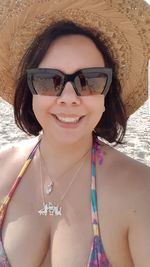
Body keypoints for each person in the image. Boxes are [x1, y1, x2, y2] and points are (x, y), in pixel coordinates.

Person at [0, 0, 150, 266]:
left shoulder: (141, 192)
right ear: (29, 89)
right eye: (49, 80)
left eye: (90, 80)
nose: (69, 98)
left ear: (107, 94)